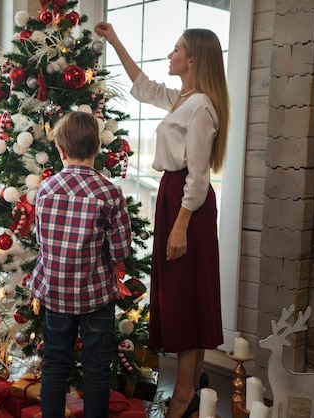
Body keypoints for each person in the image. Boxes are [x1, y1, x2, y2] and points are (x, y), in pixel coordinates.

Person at [94, 22, 229, 418]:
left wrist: (182, 224)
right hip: (176, 199)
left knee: (187, 299)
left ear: (192, 59)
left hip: (187, 203)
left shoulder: (202, 106)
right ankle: (195, 386)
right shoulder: (183, 99)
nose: (170, 55)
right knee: (190, 296)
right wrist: (115, 40)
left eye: (176, 50)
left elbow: (199, 175)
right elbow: (143, 85)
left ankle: (184, 395)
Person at [28, 111, 133, 418]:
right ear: (97, 149)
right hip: (96, 296)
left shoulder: (46, 189)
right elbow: (120, 248)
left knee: (56, 365)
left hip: (56, 294)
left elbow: (40, 240)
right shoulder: (110, 192)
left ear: (61, 150)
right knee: (97, 368)